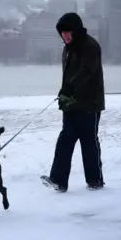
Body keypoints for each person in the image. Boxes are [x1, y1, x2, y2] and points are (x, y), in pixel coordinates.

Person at [40, 12, 105, 193]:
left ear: (76, 31)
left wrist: (70, 89)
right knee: (65, 140)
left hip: (89, 104)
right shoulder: (67, 48)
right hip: (71, 104)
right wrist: (65, 95)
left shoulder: (90, 47)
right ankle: (59, 180)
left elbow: (86, 72)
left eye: (68, 32)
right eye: (62, 32)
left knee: (89, 142)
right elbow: (68, 77)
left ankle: (95, 180)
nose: (65, 35)